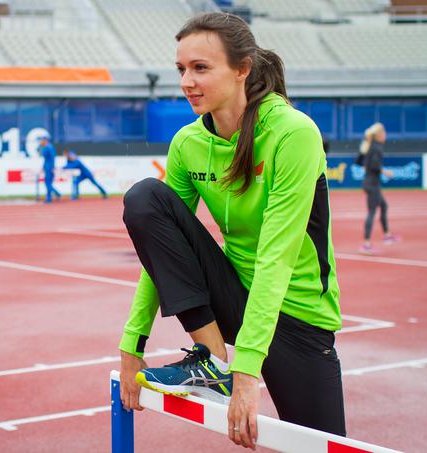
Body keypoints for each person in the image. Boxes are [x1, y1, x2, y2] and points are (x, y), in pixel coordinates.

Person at [118, 12, 345, 450]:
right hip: (234, 300)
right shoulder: (187, 142)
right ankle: (211, 359)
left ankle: (228, 368)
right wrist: (133, 343)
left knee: (323, 446)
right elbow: (158, 251)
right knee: (145, 198)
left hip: (297, 317)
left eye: (201, 68)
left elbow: (277, 257)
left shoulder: (292, 133)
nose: (187, 81)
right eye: (181, 69)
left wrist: (250, 372)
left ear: (242, 69)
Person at [359, 122, 398, 254]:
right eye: (384, 132)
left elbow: (360, 161)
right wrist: (386, 172)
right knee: (371, 212)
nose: (386, 135)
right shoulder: (377, 148)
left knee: (384, 206)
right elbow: (374, 166)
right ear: (380, 134)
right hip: (372, 185)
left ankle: (387, 235)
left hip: (370, 183)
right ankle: (366, 244)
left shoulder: (370, 145)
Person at [38, 136, 61, 203]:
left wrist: (52, 167)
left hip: (49, 167)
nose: (40, 142)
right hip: (47, 167)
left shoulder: (49, 147)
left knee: (47, 182)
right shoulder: (47, 147)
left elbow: (52, 158)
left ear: (45, 141)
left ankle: (55, 194)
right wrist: (43, 167)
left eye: (41, 140)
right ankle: (49, 197)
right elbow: (45, 159)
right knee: (48, 182)